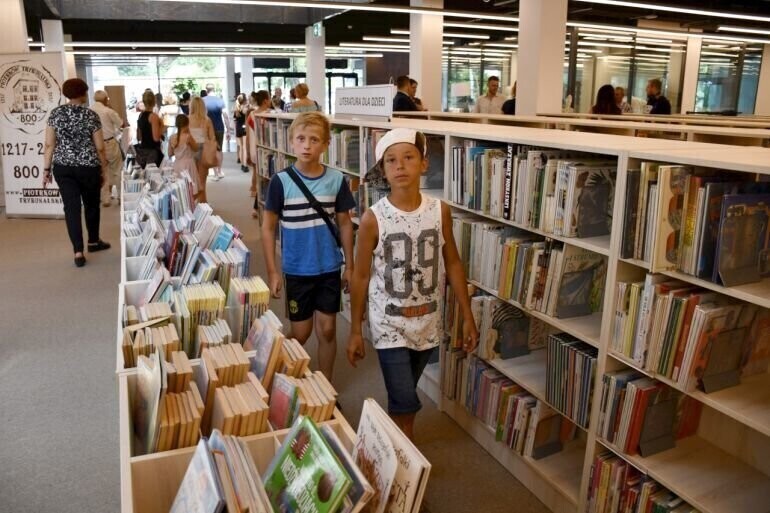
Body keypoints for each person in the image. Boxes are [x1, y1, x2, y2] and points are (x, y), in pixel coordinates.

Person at [346, 128, 478, 440]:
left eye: (408, 157)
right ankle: (402, 461)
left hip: (427, 321)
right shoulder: (372, 219)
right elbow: (361, 275)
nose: (400, 165)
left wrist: (467, 315)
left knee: (404, 399)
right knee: (405, 401)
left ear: (424, 163)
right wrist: (355, 330)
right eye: (391, 160)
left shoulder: (439, 210)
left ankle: (391, 445)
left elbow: (454, 262)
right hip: (388, 323)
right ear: (383, 170)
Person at [261, 112, 356, 384]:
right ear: (291, 142)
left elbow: (345, 224)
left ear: (326, 145)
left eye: (314, 140)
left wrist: (349, 265)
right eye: (301, 139)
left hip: (328, 267)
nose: (306, 145)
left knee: (327, 331)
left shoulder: (336, 180)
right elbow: (268, 228)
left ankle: (325, 386)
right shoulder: (281, 182)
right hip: (297, 269)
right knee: (300, 334)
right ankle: (275, 372)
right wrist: (273, 271)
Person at [42, 78, 111, 267]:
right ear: (82, 93)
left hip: (63, 168)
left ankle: (78, 252)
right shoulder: (90, 116)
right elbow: (99, 146)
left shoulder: (55, 114)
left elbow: (49, 144)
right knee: (91, 205)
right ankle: (94, 241)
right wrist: (103, 168)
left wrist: (46, 170)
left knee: (71, 209)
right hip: (88, 167)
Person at [91, 90, 125, 207]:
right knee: (117, 169)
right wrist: (111, 107)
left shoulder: (89, 111)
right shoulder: (108, 111)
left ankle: (105, 198)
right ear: (106, 99)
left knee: (102, 170)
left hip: (94, 144)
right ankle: (121, 197)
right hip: (109, 143)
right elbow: (121, 124)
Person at [247, 89, 272, 217]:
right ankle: (258, 206)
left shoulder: (251, 114)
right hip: (267, 150)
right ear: (266, 101)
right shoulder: (270, 114)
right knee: (267, 177)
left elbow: (247, 136)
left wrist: (247, 153)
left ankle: (256, 206)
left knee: (259, 176)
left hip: (253, 150)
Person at [188, 96, 216, 203]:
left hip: (191, 149)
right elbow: (212, 137)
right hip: (204, 150)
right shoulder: (207, 120)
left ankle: (192, 204)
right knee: (202, 182)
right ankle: (203, 203)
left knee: (192, 181)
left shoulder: (187, 119)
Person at [202, 83, 229, 179]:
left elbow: (202, 116)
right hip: (219, 127)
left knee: (211, 150)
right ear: (214, 89)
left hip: (208, 128)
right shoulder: (220, 101)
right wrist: (228, 129)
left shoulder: (203, 101)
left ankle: (215, 172)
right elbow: (225, 116)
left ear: (206, 90)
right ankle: (220, 170)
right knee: (219, 149)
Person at [168, 114, 200, 193]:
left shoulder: (172, 137)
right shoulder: (188, 137)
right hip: (188, 165)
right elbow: (196, 148)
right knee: (190, 189)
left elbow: (170, 153)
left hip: (177, 165)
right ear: (187, 124)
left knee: (179, 191)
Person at [136, 90, 164, 168]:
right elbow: (156, 138)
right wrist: (162, 126)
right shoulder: (153, 116)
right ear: (154, 101)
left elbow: (138, 136)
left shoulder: (141, 115)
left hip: (142, 150)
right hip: (152, 151)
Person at [233, 93, 250, 172]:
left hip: (238, 127)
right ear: (245, 99)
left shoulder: (236, 108)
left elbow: (235, 119)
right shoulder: (246, 108)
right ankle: (245, 165)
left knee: (241, 147)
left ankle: (242, 163)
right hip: (244, 127)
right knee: (245, 147)